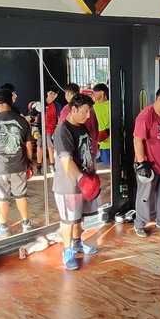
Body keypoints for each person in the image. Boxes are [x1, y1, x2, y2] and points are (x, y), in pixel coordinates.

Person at [52, 93, 100, 271]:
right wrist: (81, 179)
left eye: (89, 112)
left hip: (83, 180)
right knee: (68, 220)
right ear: (73, 109)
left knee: (80, 217)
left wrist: (91, 173)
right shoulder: (63, 131)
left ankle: (77, 243)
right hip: (68, 185)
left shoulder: (82, 126)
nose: (88, 116)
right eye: (85, 112)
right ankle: (67, 252)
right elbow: (66, 161)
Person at [0, 88, 34, 236]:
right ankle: (26, 224)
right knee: (21, 195)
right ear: (11, 102)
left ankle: (3, 228)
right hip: (19, 164)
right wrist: (29, 161)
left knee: (2, 197)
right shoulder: (21, 120)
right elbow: (28, 145)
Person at [133, 86, 160, 237]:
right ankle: (140, 223)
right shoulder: (146, 116)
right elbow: (137, 140)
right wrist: (141, 163)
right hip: (149, 164)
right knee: (144, 196)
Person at [59, 83, 98, 157]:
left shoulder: (67, 108)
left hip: (77, 150)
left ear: (67, 93)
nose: (88, 116)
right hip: (91, 145)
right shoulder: (90, 108)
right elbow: (96, 126)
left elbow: (62, 129)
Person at [40, 85, 61, 173]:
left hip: (51, 130)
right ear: (47, 93)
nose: (52, 95)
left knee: (50, 147)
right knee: (39, 146)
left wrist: (57, 129)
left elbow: (59, 119)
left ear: (56, 96)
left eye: (54, 94)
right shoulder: (40, 103)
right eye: (51, 93)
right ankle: (38, 165)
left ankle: (52, 164)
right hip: (40, 130)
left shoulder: (57, 106)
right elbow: (35, 116)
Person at [93, 83, 111, 167]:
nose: (93, 94)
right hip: (96, 141)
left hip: (107, 141)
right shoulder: (93, 106)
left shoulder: (109, 106)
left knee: (108, 164)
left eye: (95, 92)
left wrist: (107, 132)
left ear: (102, 93)